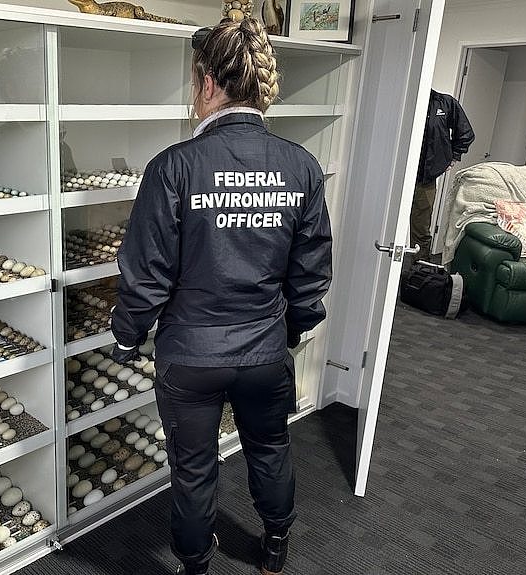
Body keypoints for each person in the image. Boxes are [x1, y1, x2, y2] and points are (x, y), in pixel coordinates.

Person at [110, 19, 332, 575]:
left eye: (193, 81)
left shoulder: (173, 167)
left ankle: (194, 565)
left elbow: (146, 274)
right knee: (269, 447)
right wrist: (293, 328)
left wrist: (128, 334)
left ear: (208, 84)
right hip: (263, 352)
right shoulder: (301, 166)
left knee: (192, 468)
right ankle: (275, 548)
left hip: (190, 357)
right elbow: (310, 273)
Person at [411, 89, 474, 259]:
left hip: (425, 179)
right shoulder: (404, 98)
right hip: (395, 176)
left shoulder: (444, 103)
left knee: (421, 227)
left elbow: (466, 133)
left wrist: (453, 157)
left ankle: (420, 270)